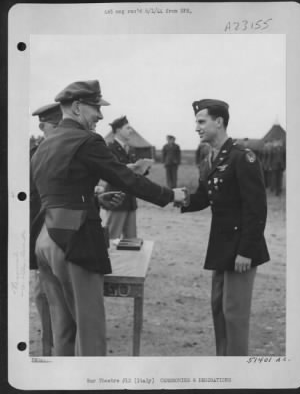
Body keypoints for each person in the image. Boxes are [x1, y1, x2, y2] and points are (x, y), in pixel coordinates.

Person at [30, 80, 187, 356]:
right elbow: (126, 179)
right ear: (77, 107)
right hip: (73, 240)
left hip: (44, 239)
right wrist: (170, 195)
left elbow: (60, 189)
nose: (100, 116)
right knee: (90, 332)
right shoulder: (87, 140)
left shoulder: (45, 144)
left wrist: (94, 199)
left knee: (62, 330)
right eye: (95, 108)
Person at [181, 99, 270, 356]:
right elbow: (202, 198)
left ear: (218, 122)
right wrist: (172, 196)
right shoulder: (212, 157)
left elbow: (256, 209)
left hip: (241, 249)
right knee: (219, 309)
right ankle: (224, 366)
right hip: (221, 247)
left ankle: (238, 373)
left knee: (235, 314)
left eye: (201, 121)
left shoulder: (242, 157)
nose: (196, 127)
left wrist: (246, 251)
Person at [30, 103, 63, 355]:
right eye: (57, 126)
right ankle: (47, 351)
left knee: (60, 294)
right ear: (43, 127)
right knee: (43, 292)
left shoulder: (64, 153)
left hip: (60, 238)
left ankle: (59, 345)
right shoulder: (29, 156)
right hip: (37, 235)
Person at [105, 116, 138, 239]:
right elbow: (110, 172)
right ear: (118, 130)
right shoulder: (109, 149)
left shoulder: (130, 149)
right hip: (116, 198)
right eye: (128, 128)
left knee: (131, 239)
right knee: (112, 236)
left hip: (130, 199)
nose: (131, 131)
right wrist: (127, 167)